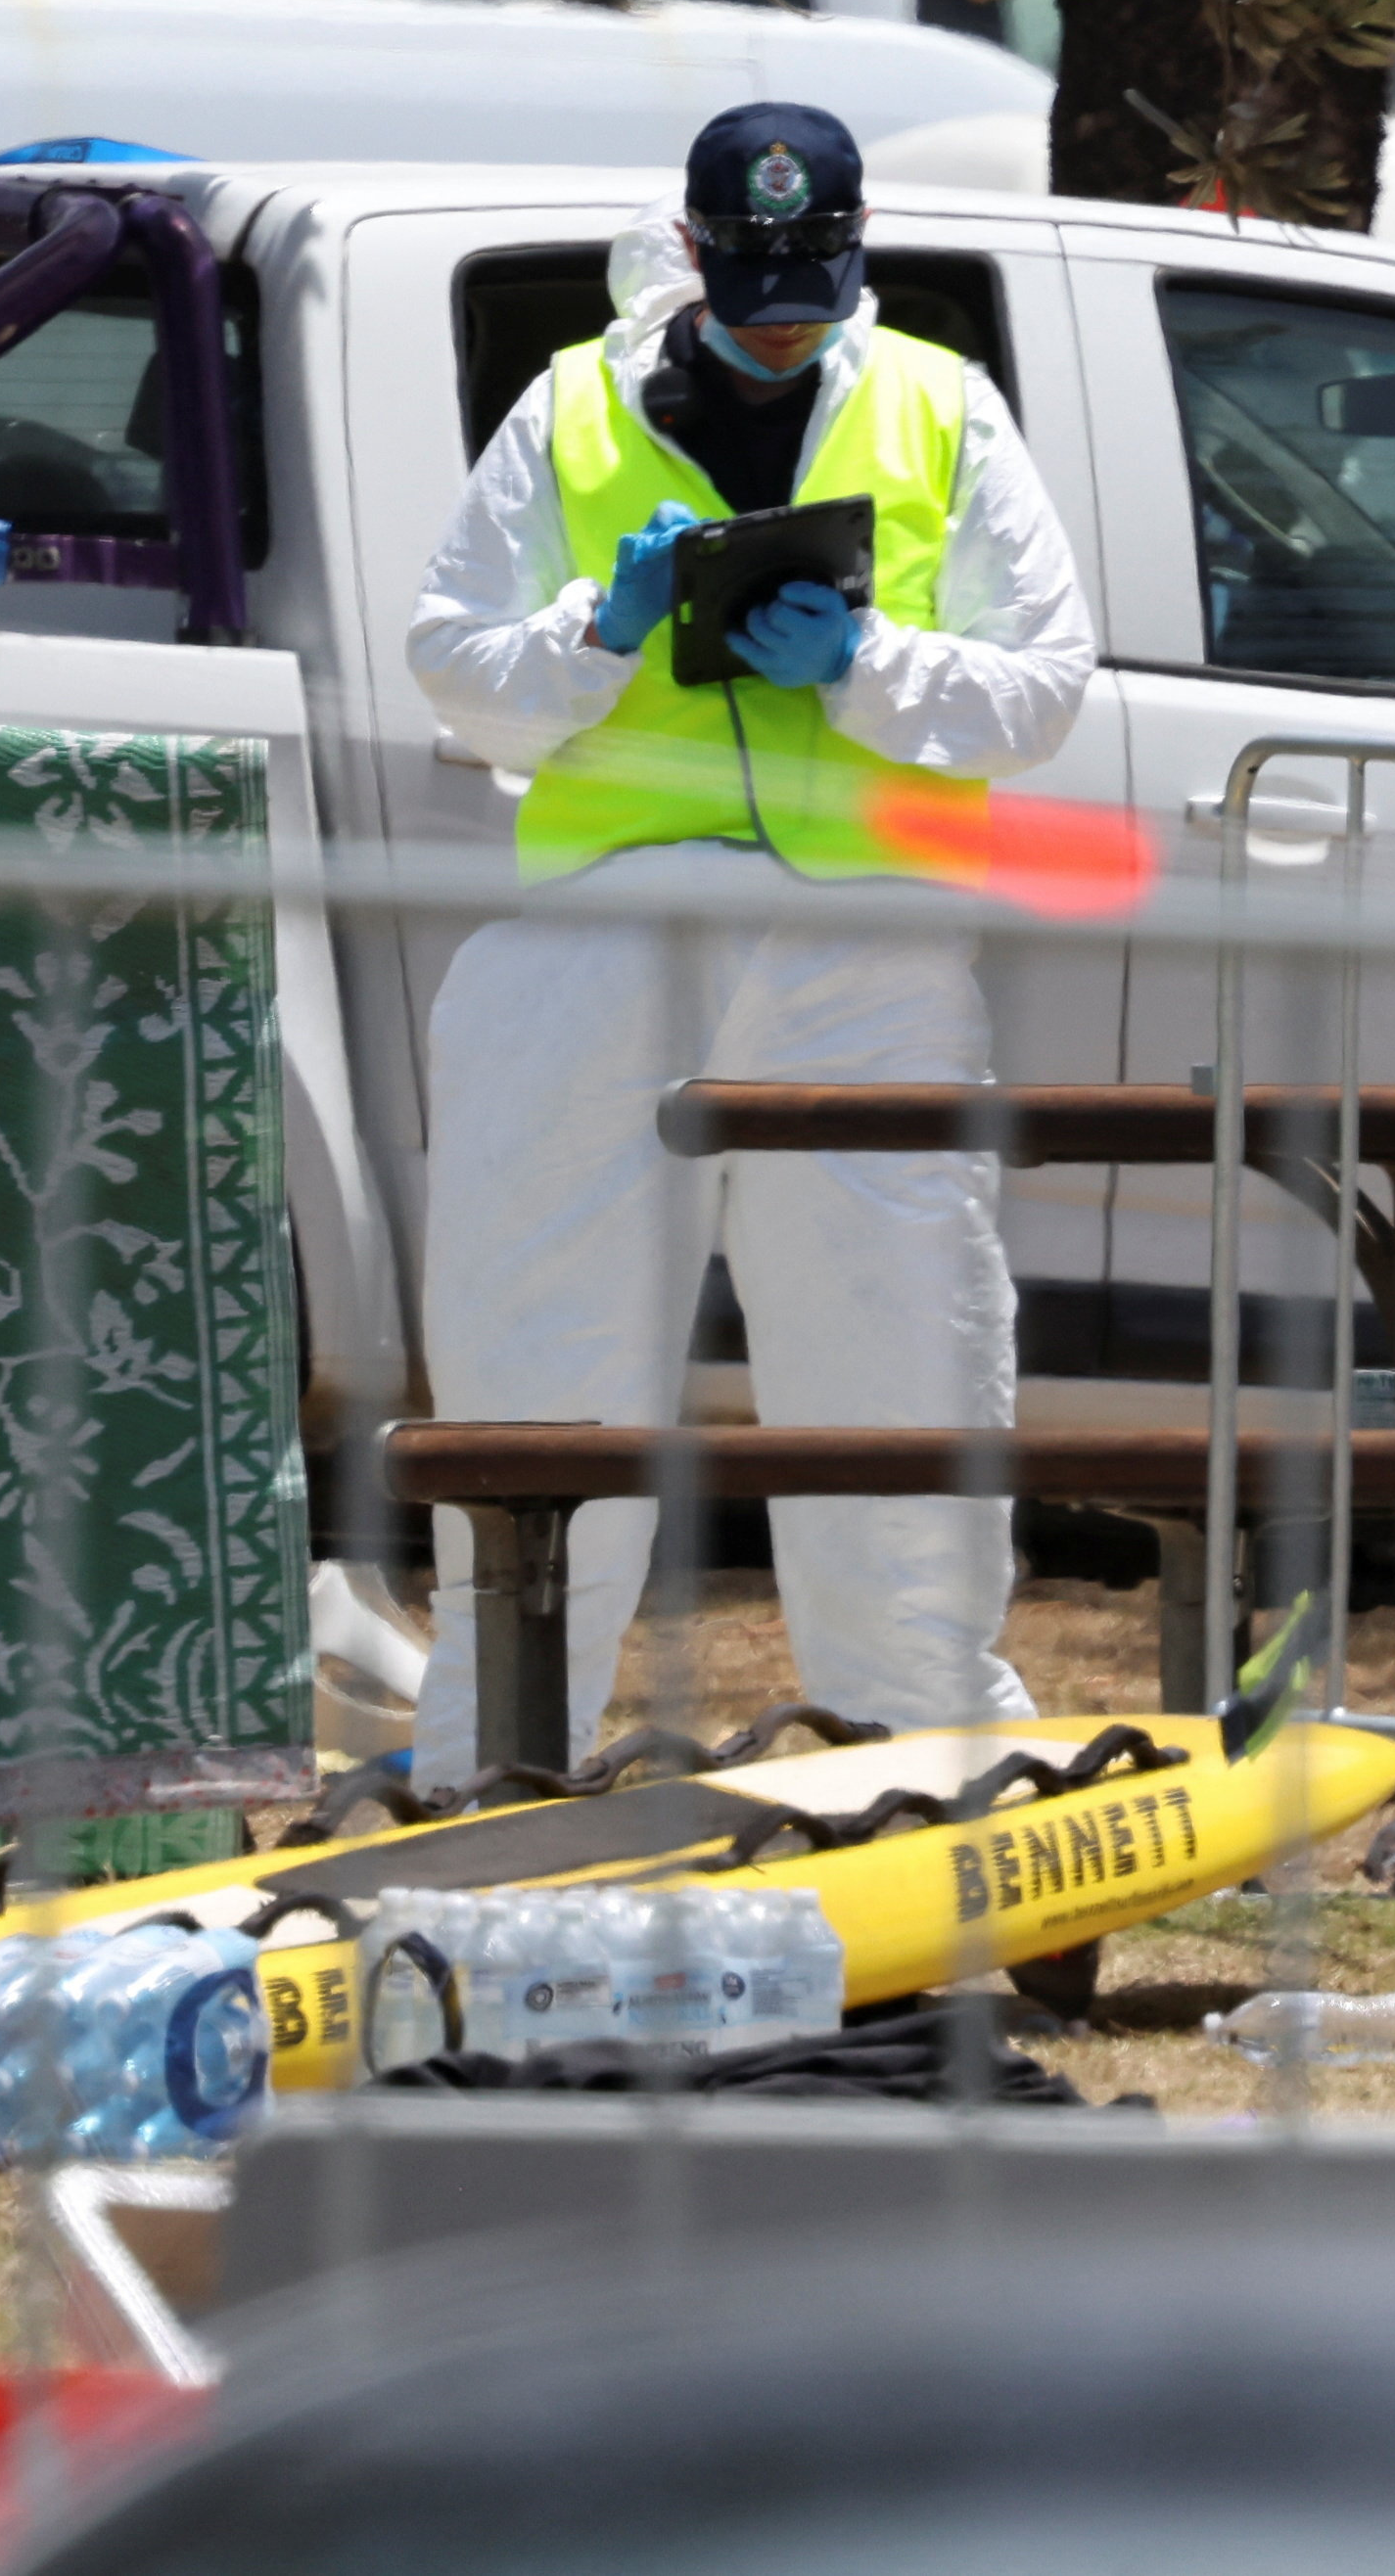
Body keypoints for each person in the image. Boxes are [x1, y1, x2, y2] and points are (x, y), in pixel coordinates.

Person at [405, 103, 1096, 1767]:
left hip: (864, 948)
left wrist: (863, 666)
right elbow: (448, 659)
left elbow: (1045, 685)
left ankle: (923, 1741)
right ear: (697, 252)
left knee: (896, 1338)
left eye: (820, 276)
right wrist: (597, 627)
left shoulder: (941, 403)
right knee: (539, 1345)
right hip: (600, 940)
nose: (790, 312)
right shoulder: (569, 404)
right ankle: (495, 1753)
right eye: (760, 276)